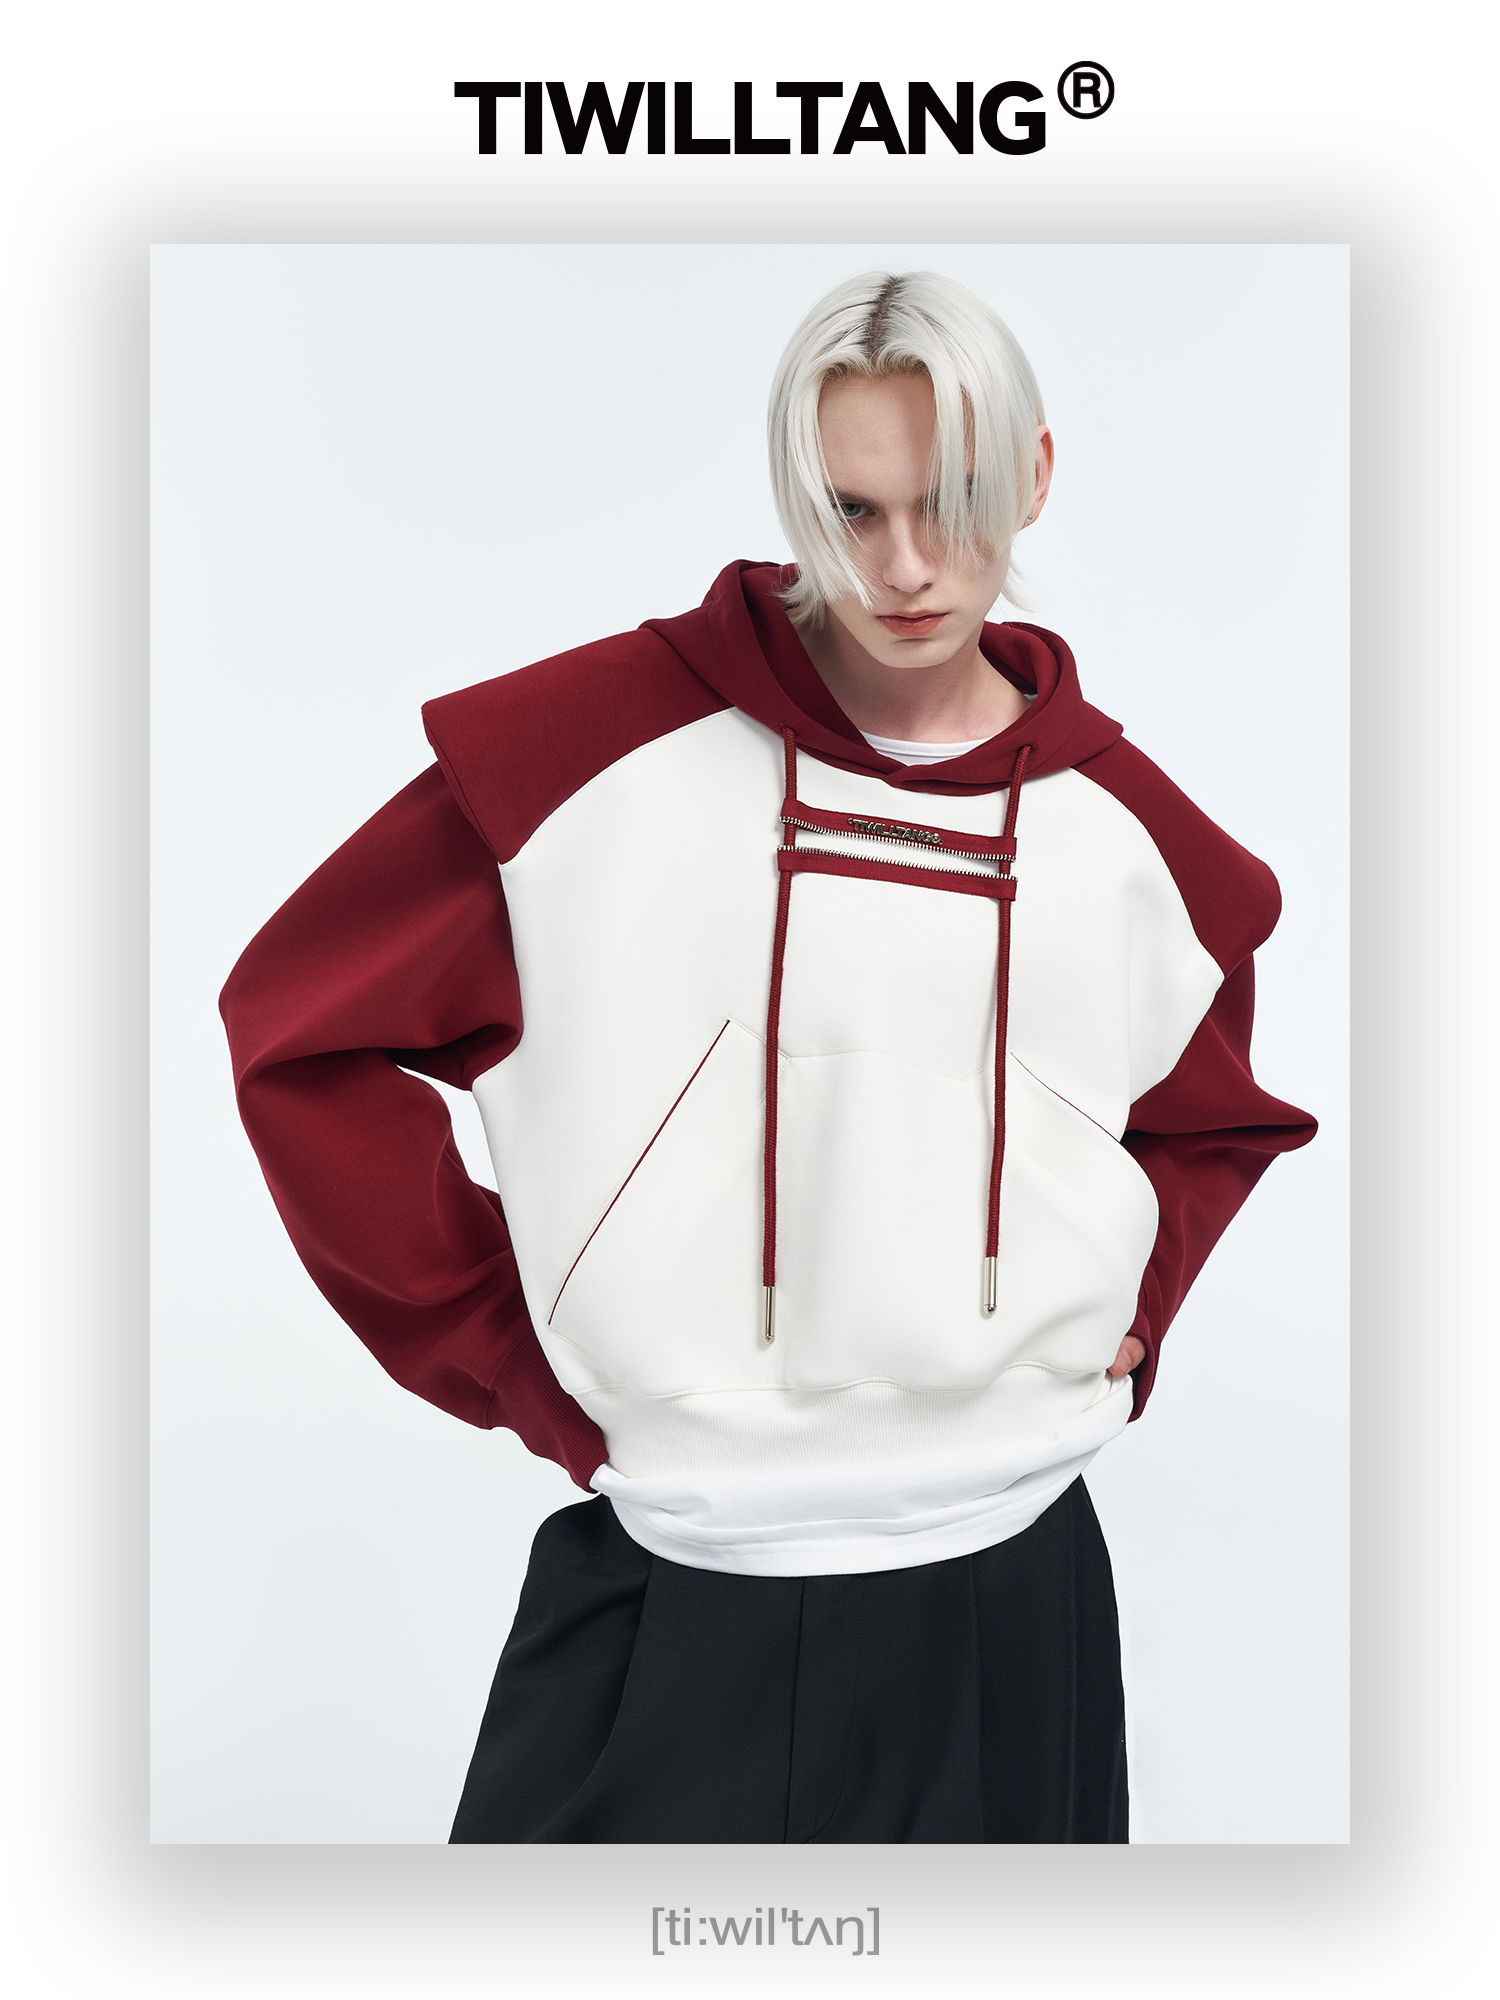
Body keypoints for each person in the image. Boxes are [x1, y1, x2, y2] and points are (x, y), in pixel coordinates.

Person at [220, 270, 1316, 1844]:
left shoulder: (1136, 839)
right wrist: (508, 1357)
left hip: (1019, 1583)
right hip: (688, 1570)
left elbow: (1208, 1121)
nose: (904, 567)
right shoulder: (583, 759)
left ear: (1035, 475)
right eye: (852, 510)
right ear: (796, 491)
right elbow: (300, 1033)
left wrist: (1131, 1304)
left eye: (951, 501)